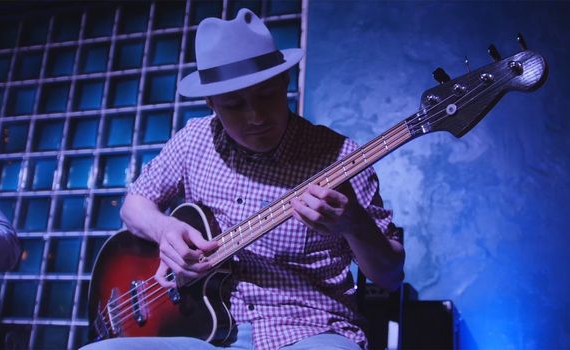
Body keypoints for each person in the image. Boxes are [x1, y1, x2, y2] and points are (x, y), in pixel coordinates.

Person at [83, 8, 404, 350]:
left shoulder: (342, 156)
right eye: (234, 105)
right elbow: (134, 205)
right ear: (210, 102)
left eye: (266, 95)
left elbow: (390, 276)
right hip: (199, 331)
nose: (255, 117)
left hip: (311, 328)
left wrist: (354, 223)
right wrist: (165, 232)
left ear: (285, 81)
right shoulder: (193, 140)